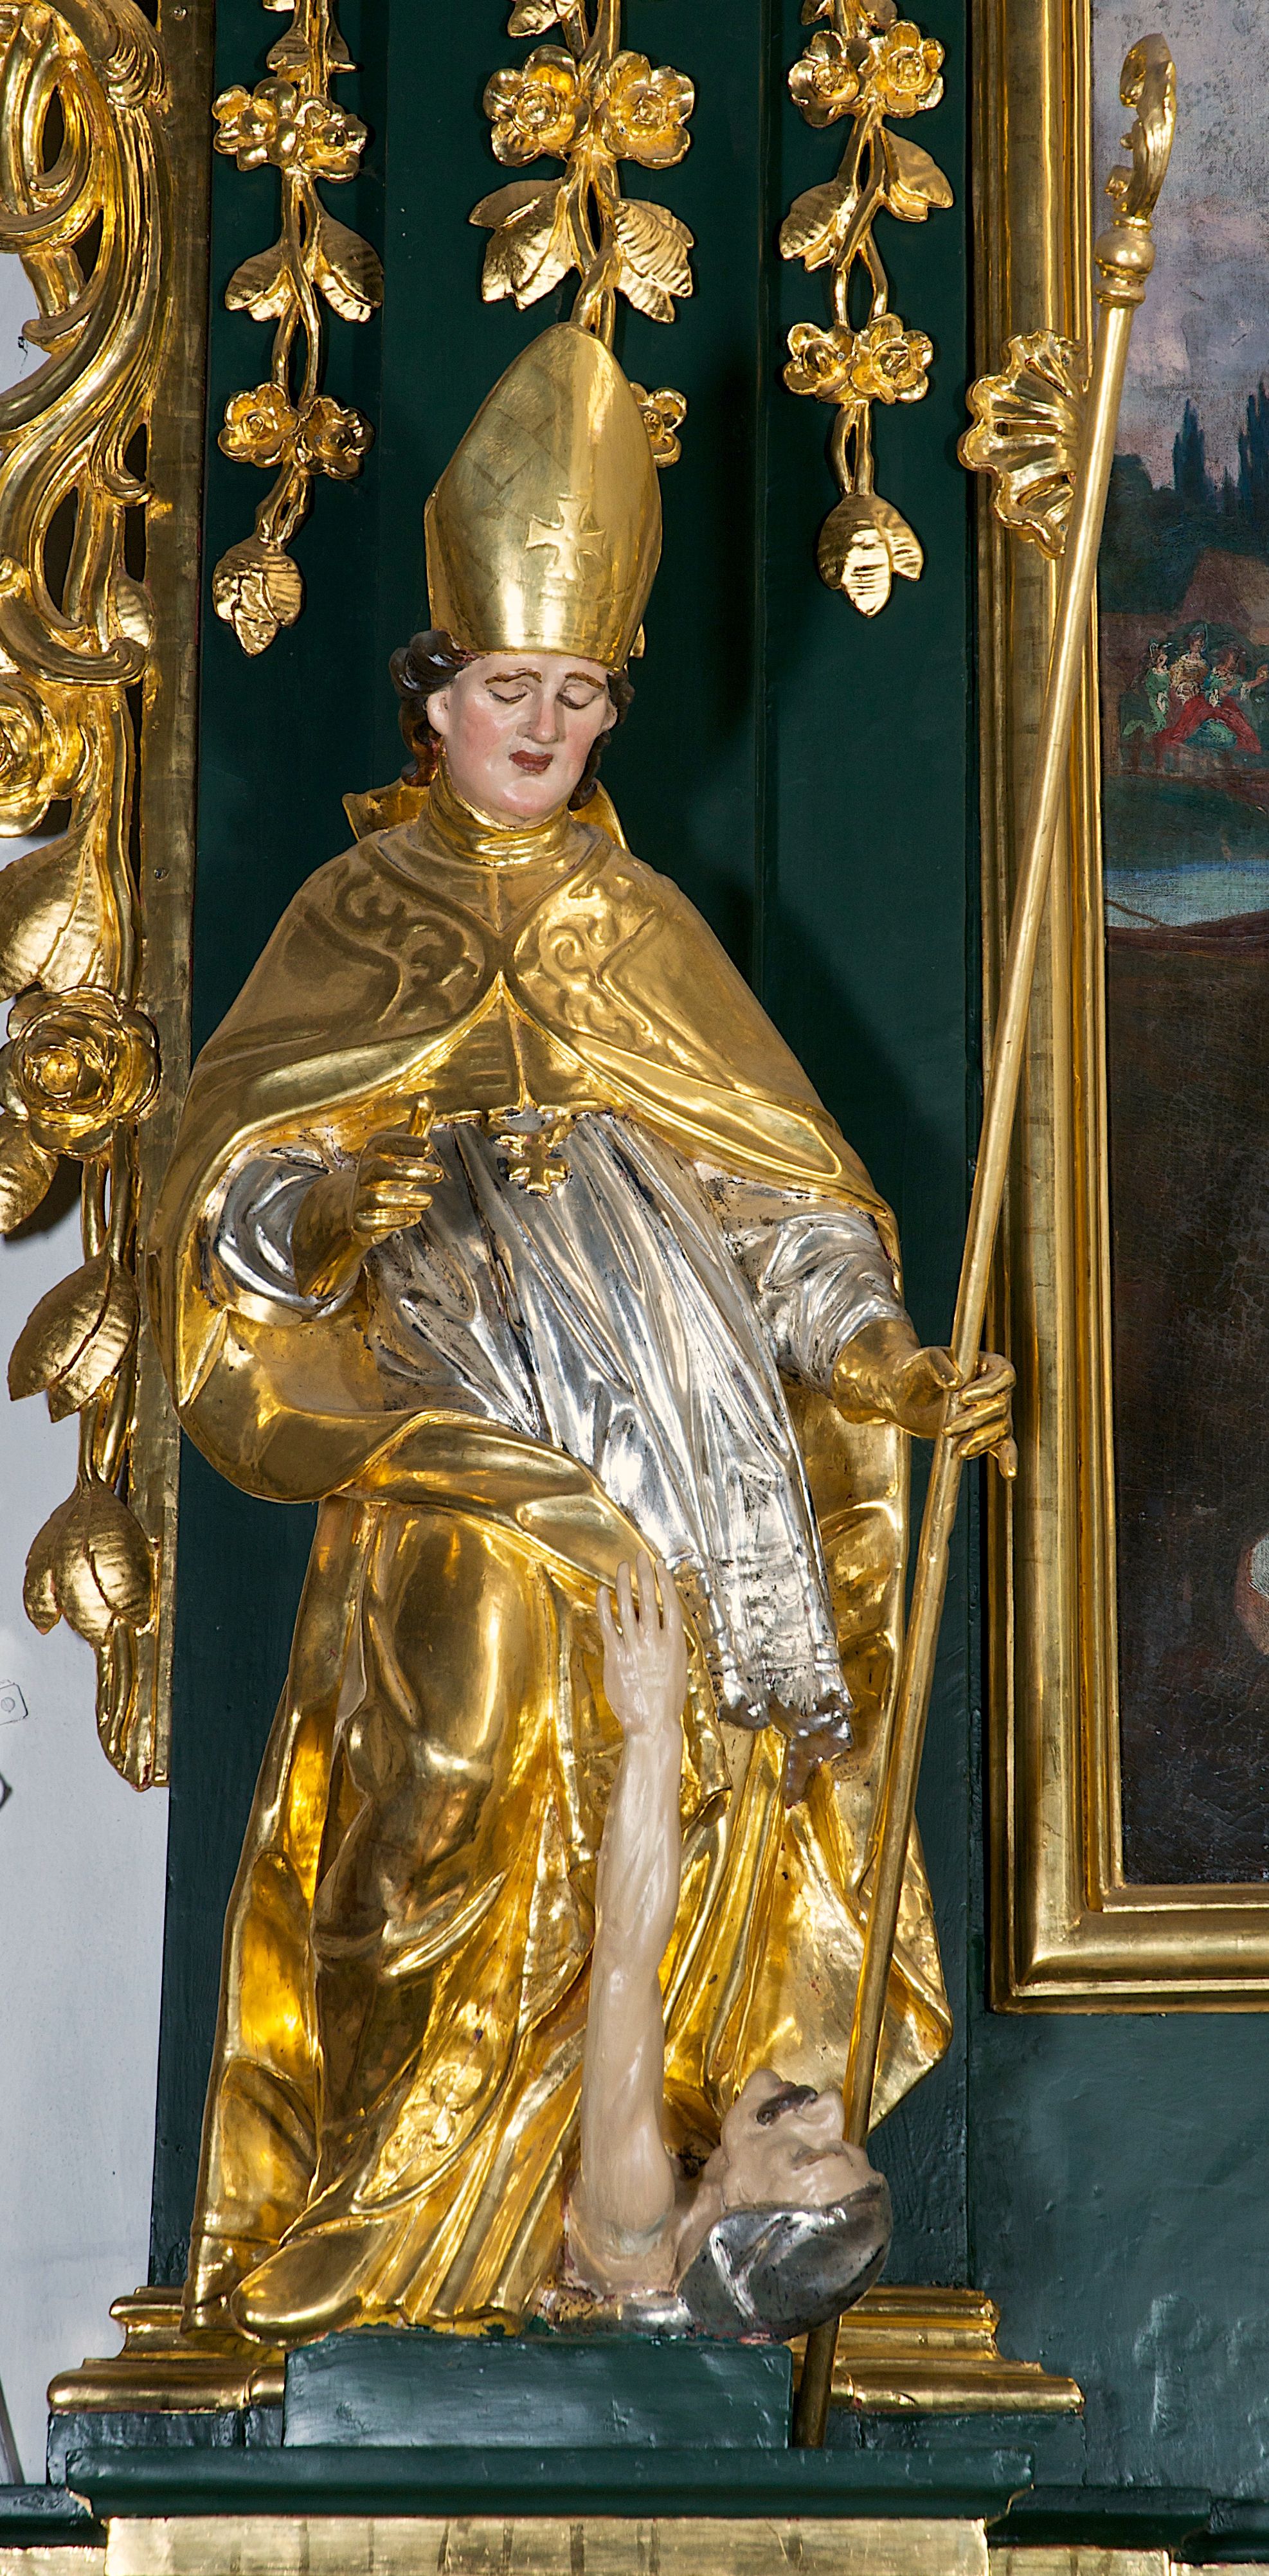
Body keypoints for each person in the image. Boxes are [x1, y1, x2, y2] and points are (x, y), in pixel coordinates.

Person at [149, 324, 1013, 2350]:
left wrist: (882, 1362)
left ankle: (599, 2229)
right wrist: (328, 1200)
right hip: (456, 1458)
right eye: (503, 687)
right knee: (433, 1787)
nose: (540, 723)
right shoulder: (353, 915)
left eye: (575, 691)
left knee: (664, 1800)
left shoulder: (643, 934)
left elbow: (785, 1206)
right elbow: (228, 1192)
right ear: (432, 698)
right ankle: (373, 2238)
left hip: (677, 1489)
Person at [567, 1547, 890, 2336]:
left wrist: (652, 1726)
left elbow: (624, 1961)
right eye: (841, 2138)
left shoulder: (634, 2216)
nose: (828, 2108)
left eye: (806, 2153)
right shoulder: (686, 2202)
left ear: (741, 2214)